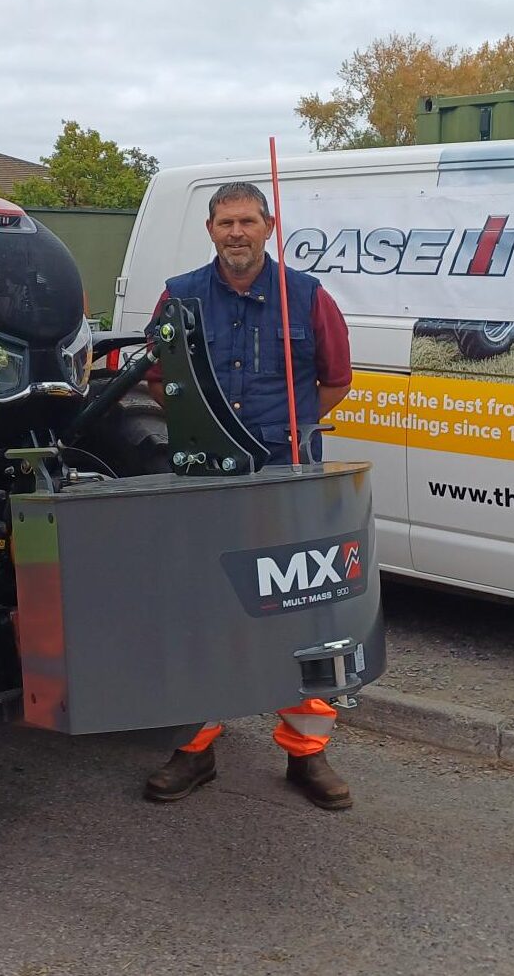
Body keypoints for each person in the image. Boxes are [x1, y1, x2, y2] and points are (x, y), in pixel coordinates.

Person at [142, 181, 356, 810]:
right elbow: (158, 380)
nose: (236, 232)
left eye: (247, 221)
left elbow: (335, 381)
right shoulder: (179, 298)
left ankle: (306, 753)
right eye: (225, 222)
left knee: (301, 615)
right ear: (209, 230)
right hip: (206, 484)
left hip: (285, 478)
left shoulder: (307, 297)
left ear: (269, 225)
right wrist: (205, 431)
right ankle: (195, 747)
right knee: (204, 613)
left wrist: (283, 429)